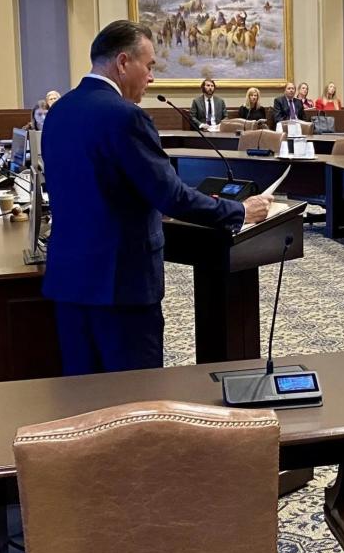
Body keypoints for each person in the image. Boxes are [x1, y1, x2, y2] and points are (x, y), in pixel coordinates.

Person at [41, 20, 272, 376]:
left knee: (81, 396)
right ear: (122, 63)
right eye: (148, 66)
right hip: (121, 283)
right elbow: (172, 196)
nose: (151, 78)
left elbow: (96, 184)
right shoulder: (125, 116)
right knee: (136, 395)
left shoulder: (59, 112)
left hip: (69, 280)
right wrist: (239, 210)